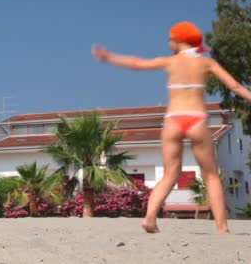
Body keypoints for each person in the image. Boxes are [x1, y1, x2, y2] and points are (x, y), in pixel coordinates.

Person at [91, 21, 251, 234]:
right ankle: (222, 228)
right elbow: (234, 86)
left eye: (170, 39)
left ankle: (149, 218)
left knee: (170, 174)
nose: (168, 43)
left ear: (178, 40)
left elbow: (137, 63)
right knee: (211, 175)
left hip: (174, 119)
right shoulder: (206, 63)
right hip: (196, 118)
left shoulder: (170, 62)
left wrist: (109, 57)